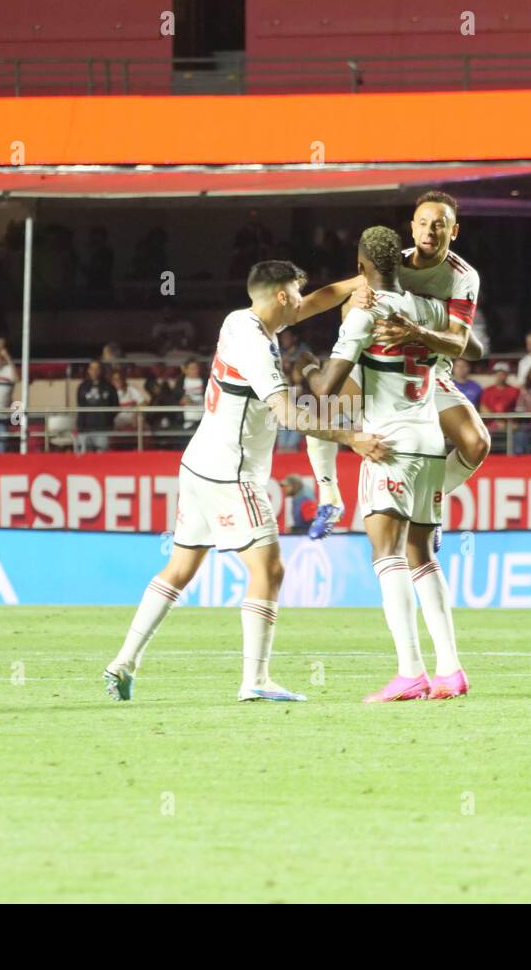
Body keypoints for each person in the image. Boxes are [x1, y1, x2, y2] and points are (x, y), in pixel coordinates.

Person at [103, 261, 388, 704]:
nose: (302, 299)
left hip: (198, 464)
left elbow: (319, 299)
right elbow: (290, 415)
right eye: (296, 292)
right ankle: (255, 679)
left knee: (179, 570)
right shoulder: (257, 346)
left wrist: (360, 281)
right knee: (270, 570)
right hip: (232, 474)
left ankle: (123, 662)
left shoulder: (239, 320)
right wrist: (353, 437)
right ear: (280, 297)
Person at [297, 227, 468, 701]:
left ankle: (411, 671)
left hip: (388, 445)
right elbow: (461, 343)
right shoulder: (430, 309)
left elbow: (326, 390)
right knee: (422, 554)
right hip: (431, 440)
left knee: (386, 555)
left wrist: (309, 366)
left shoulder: (363, 315)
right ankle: (450, 670)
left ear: (360, 268)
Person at [306, 192, 489, 543]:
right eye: (422, 223)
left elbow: (465, 345)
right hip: (375, 367)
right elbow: (342, 298)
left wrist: (417, 332)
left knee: (476, 443)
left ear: (454, 231)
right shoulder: (392, 263)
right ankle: (329, 498)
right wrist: (343, 305)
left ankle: (428, 510)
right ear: (412, 228)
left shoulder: (463, 276)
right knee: (319, 408)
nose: (429, 231)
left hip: (428, 371)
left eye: (439, 224)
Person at [76, 359, 117, 452]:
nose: (94, 371)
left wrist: (107, 419)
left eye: (97, 369)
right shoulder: (82, 387)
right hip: (84, 429)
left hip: (103, 429)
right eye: (92, 368)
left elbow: (115, 407)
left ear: (101, 370)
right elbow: (80, 406)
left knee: (102, 460)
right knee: (84, 460)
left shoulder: (109, 387)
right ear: (88, 370)